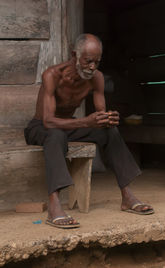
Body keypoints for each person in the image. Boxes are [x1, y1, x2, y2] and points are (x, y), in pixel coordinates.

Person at [24, 33, 154, 229]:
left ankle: (127, 195)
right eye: (88, 61)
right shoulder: (52, 75)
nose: (92, 67)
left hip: (70, 125)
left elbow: (100, 115)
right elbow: (49, 121)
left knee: (110, 132)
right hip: (41, 127)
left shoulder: (96, 78)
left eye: (97, 62)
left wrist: (109, 119)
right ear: (74, 54)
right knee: (55, 135)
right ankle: (54, 205)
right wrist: (87, 122)